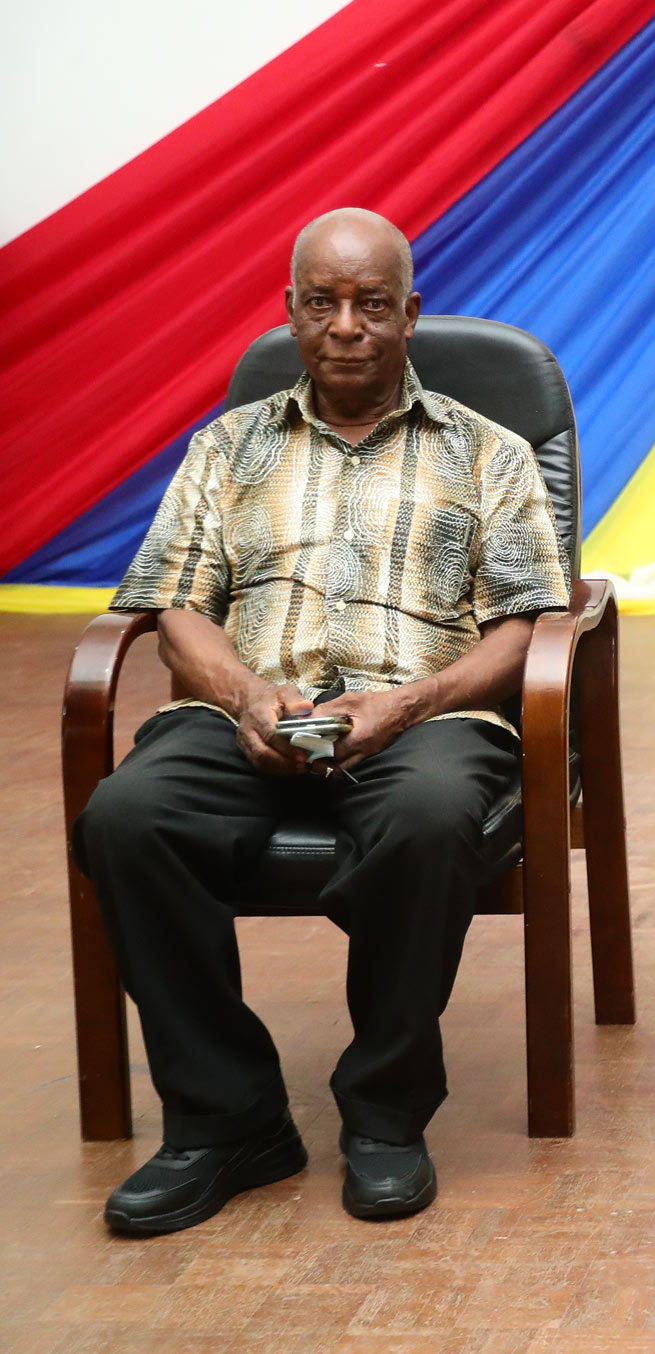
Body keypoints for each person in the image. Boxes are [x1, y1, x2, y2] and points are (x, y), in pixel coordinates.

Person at [72, 208, 570, 1233]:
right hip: (250, 707)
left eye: (372, 304)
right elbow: (175, 608)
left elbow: (529, 626)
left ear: (409, 316)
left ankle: (385, 1115)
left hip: (423, 707)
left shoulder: (490, 454)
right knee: (127, 816)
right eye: (323, 302)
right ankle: (226, 1119)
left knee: (429, 820)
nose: (347, 325)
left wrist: (406, 703)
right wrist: (251, 697)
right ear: (291, 314)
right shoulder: (226, 448)